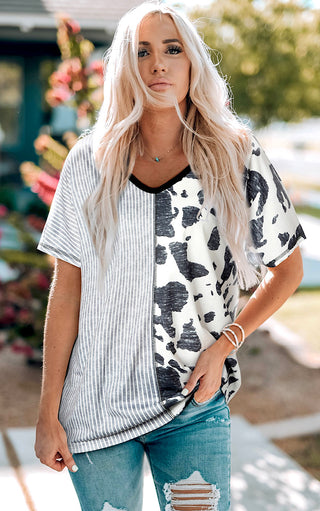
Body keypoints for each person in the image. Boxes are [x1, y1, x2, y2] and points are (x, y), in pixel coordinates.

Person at [34, 2, 306, 510]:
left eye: (172, 50)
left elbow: (287, 268)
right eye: (143, 52)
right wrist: (48, 411)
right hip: (95, 405)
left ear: (191, 63)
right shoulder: (87, 162)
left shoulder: (236, 154)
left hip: (192, 404)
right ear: (125, 68)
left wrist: (226, 343)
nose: (158, 64)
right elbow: (66, 288)